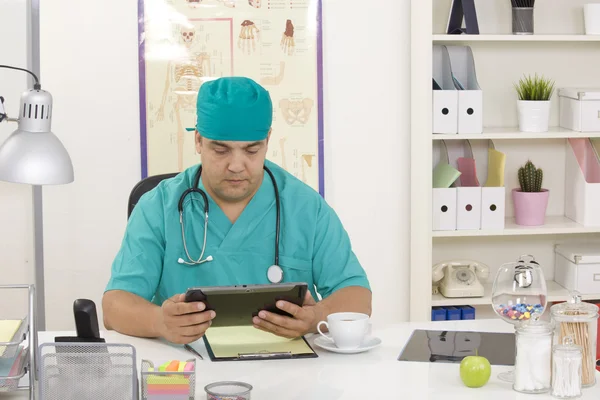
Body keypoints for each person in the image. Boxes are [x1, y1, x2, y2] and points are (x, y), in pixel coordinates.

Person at [102, 77, 371, 345]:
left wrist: (317, 317)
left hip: (288, 369)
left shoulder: (306, 208)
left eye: (251, 150)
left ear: (267, 141)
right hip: (187, 368)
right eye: (221, 150)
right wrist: (159, 321)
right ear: (198, 141)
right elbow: (115, 306)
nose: (236, 165)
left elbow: (357, 295)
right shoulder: (158, 207)